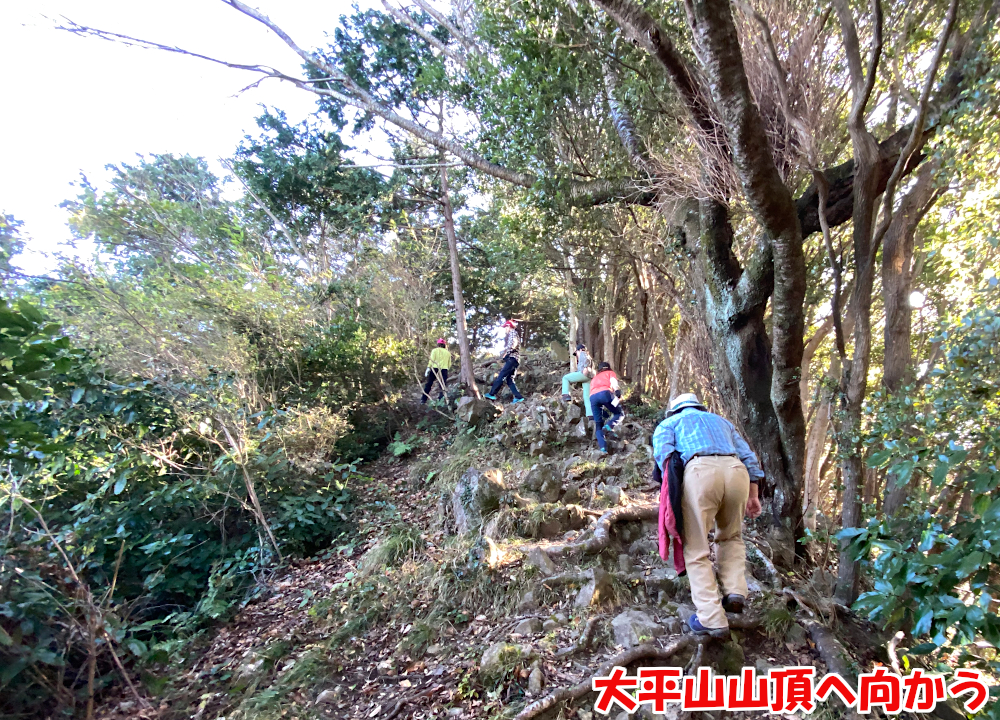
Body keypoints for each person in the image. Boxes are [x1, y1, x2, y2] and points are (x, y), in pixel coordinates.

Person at [651, 393, 764, 639]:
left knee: (696, 548)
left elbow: (664, 459)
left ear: (674, 410)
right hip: (737, 472)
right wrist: (753, 495)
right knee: (732, 536)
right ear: (699, 407)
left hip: (700, 473)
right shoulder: (722, 422)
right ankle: (734, 591)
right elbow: (749, 458)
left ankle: (712, 618)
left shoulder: (669, 424)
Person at [484, 320, 525, 403]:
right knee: (509, 379)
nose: (505, 329)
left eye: (505, 327)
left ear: (509, 326)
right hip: (516, 360)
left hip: (512, 359)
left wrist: (507, 353)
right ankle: (518, 397)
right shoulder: (514, 333)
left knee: (501, 376)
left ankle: (492, 394)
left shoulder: (512, 333)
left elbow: (514, 344)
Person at [588, 362, 624, 454]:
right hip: (605, 393)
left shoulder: (594, 378)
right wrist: (617, 391)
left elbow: (592, 391)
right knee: (619, 413)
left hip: (592, 398)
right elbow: (613, 382)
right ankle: (608, 426)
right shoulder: (609, 373)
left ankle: (603, 449)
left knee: (598, 424)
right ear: (608, 368)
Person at [561, 343, 594, 420]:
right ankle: (590, 415)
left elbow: (587, 360)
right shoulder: (588, 356)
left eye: (576, 353)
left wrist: (585, 368)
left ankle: (566, 395)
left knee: (565, 378)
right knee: (587, 397)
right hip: (590, 378)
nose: (576, 355)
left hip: (585, 374)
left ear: (579, 350)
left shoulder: (583, 353)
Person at [421, 338, 451, 404]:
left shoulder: (434, 350)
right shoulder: (448, 353)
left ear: (438, 344)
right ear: (444, 345)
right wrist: (446, 368)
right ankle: (441, 400)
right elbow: (449, 364)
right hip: (444, 369)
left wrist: (428, 368)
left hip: (435, 368)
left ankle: (423, 399)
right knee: (443, 385)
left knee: (429, 383)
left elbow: (431, 360)